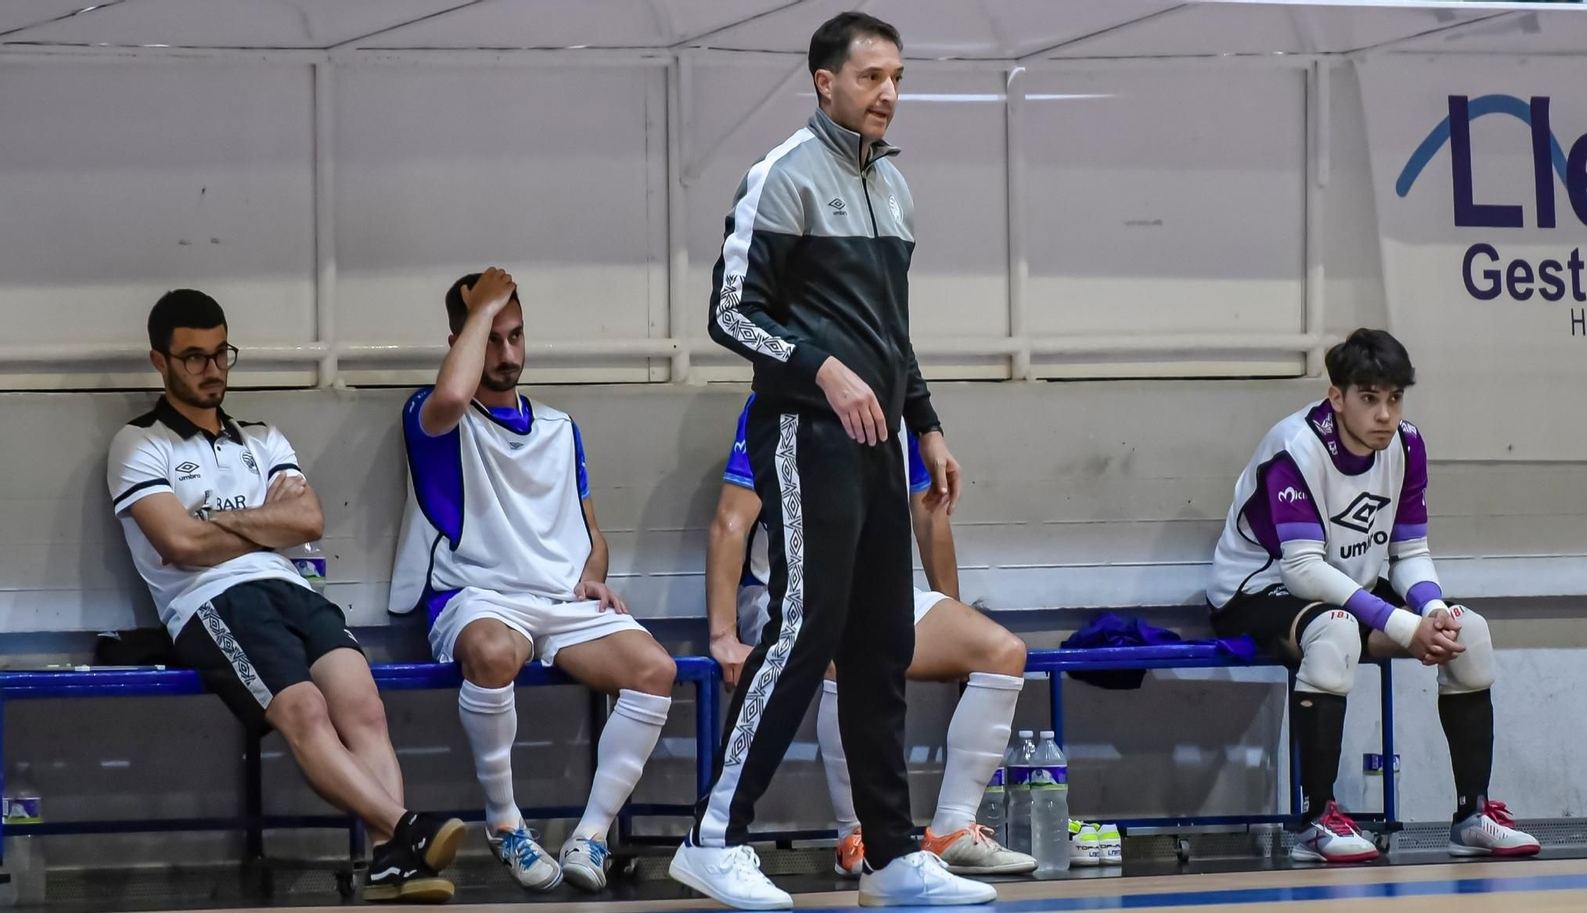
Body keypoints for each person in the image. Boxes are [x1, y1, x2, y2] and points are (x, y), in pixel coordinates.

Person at [670, 12, 995, 909]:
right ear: (825, 82)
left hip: (879, 446)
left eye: (897, 76)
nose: (888, 92)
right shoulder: (782, 178)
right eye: (871, 77)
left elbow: (890, 332)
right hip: (802, 433)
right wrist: (821, 367)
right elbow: (730, 313)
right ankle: (714, 835)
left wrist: (924, 421)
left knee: (884, 639)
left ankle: (893, 858)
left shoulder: (893, 189)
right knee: (805, 628)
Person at [107, 290, 463, 903]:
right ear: (159, 362)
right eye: (193, 357)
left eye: (221, 354)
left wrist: (216, 524)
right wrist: (258, 521)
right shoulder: (139, 445)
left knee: (365, 709)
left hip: (293, 589)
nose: (211, 369)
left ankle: (389, 861)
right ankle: (404, 832)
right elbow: (179, 545)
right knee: (305, 713)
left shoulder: (265, 438)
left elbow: (309, 522)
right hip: (211, 603)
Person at [389, 268, 678, 893]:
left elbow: (590, 530)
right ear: (460, 340)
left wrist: (593, 577)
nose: (508, 353)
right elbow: (451, 396)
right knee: (493, 656)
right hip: (477, 597)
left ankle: (592, 836)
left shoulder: (558, 426)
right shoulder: (433, 415)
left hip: (559, 601)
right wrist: (484, 305)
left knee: (656, 670)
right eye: (491, 338)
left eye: (516, 336)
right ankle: (505, 824)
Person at [1207, 328, 1541, 863]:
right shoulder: (1296, 447)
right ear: (1337, 397)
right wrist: (1406, 629)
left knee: (1467, 631)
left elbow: (1410, 552)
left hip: (1348, 586)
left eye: (1394, 398)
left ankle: (1470, 814)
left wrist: (1431, 611)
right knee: (1335, 633)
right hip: (1257, 591)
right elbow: (1303, 572)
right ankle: (1316, 822)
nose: (1384, 414)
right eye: (1369, 398)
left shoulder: (1408, 444)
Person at [708, 396, 1033, 877]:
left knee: (1003, 653)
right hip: (784, 593)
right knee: (846, 650)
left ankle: (952, 829)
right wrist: (723, 635)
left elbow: (929, 515)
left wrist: (953, 610)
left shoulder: (898, 405)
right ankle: (853, 833)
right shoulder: (780, 395)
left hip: (880, 588)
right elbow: (730, 522)